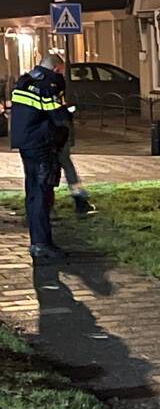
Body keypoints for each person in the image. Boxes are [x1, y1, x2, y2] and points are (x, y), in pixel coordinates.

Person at [9, 54, 72, 260]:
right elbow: (57, 114)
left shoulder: (25, 81)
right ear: (56, 69)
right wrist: (68, 114)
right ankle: (41, 243)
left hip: (25, 143)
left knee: (33, 191)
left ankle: (36, 240)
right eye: (61, 70)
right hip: (41, 144)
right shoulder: (50, 83)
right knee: (42, 193)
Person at [51, 61, 95, 216]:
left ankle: (74, 201)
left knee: (58, 167)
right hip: (54, 133)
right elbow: (56, 111)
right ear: (55, 68)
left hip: (53, 134)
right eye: (61, 70)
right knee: (61, 166)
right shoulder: (51, 86)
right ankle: (78, 201)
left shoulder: (44, 84)